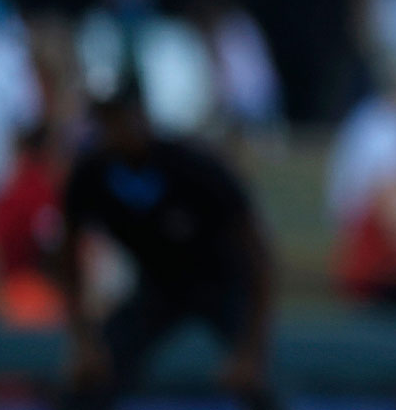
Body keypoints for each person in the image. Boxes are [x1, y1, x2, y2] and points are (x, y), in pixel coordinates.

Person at [59, 81, 277, 410]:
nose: (113, 131)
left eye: (120, 118)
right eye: (105, 121)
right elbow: (67, 259)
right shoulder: (92, 175)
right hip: (158, 286)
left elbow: (259, 254)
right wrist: (84, 343)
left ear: (141, 117)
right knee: (92, 382)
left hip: (223, 281)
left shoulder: (192, 166)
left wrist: (250, 353)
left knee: (260, 387)